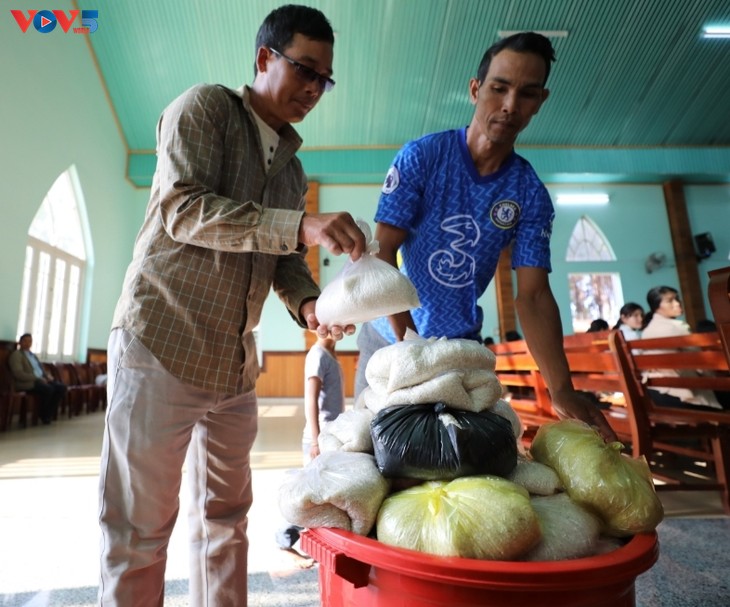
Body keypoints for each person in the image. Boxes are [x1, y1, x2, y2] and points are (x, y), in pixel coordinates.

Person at [97, 5, 367, 606]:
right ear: (265, 57)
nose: (315, 89)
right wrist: (300, 224)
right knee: (139, 529)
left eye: (325, 78)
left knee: (226, 521)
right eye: (305, 69)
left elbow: (285, 264)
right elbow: (184, 209)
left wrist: (311, 308)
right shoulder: (206, 108)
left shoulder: (292, 169)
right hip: (160, 341)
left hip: (234, 366)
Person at [354, 31, 616, 442]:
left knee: (461, 470)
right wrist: (408, 345)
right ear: (476, 89)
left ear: (540, 101)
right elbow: (382, 252)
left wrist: (561, 388)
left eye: (527, 94)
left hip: (461, 350)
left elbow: (532, 295)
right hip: (390, 340)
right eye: (499, 88)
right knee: (379, 460)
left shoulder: (529, 193)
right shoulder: (423, 157)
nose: (510, 106)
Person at [275, 335, 345, 567]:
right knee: (307, 495)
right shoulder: (317, 355)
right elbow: (311, 400)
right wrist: (316, 441)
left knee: (320, 494)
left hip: (329, 437)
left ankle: (314, 544)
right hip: (319, 439)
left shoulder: (330, 356)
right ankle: (284, 543)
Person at [640, 285, 722, 410]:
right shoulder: (678, 327)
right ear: (656, 306)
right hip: (683, 395)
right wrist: (714, 380)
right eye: (670, 300)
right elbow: (700, 362)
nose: (677, 303)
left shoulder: (647, 331)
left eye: (677, 298)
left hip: (656, 392)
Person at [8, 333, 66, 424]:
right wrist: (36, 378)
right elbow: (18, 374)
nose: (27, 343)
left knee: (61, 387)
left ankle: (48, 413)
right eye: (25, 341)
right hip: (27, 382)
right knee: (48, 389)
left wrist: (47, 376)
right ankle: (43, 415)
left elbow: (40, 369)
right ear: (20, 343)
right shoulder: (16, 355)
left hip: (41, 380)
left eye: (29, 341)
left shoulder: (32, 355)